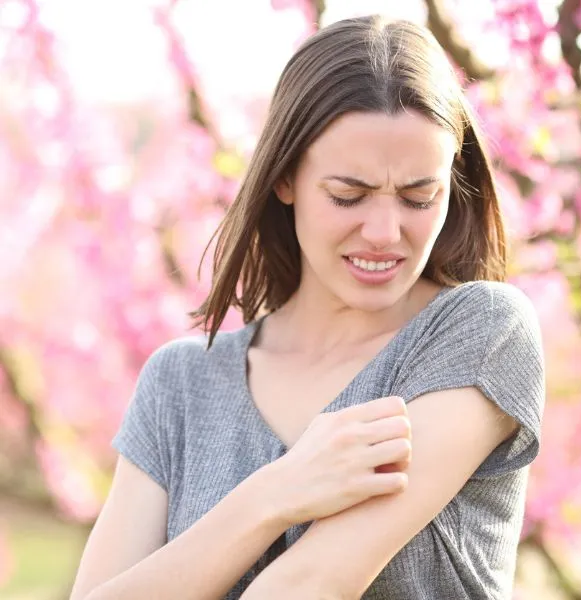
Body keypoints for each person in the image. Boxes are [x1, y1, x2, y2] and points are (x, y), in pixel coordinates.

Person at [69, 14, 545, 600]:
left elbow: (308, 584)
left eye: (421, 197)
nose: (384, 231)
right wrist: (273, 495)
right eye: (349, 195)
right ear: (285, 178)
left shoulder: (482, 334)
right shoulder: (181, 385)